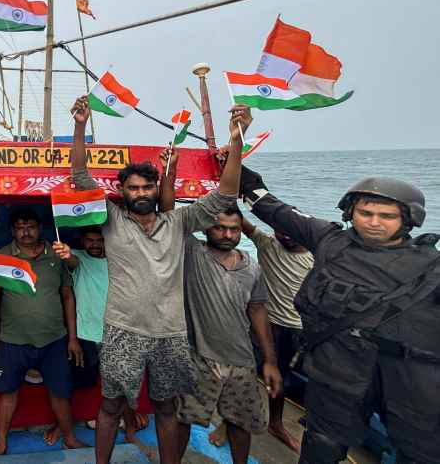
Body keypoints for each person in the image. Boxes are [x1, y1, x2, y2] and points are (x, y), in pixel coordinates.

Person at [70, 95, 251, 464]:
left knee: (167, 408)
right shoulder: (112, 220)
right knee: (110, 405)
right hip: (122, 331)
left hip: (171, 334)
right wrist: (79, 126)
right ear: (122, 192)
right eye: (132, 188)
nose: (140, 194)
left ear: (157, 190)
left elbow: (225, 194)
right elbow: (79, 177)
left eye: (147, 188)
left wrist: (237, 140)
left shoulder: (179, 223)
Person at [238, 169, 440, 464]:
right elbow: (276, 211)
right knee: (320, 448)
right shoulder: (330, 241)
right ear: (350, 213)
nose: (373, 222)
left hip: (407, 381)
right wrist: (237, 167)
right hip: (338, 373)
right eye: (365, 212)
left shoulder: (431, 268)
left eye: (386, 216)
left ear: (408, 220)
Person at [173, 203, 281, 464]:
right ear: (206, 227)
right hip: (199, 358)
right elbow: (171, 216)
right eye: (219, 227)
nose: (227, 235)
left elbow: (257, 310)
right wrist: (172, 168)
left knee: (239, 422)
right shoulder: (192, 252)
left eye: (233, 229)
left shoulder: (251, 266)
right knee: (183, 418)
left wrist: (270, 360)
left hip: (241, 360)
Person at [0, 207, 87, 455]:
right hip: (13, 339)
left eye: (30, 226)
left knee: (60, 391)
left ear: (40, 228)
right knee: (8, 392)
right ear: (12, 230)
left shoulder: (55, 254)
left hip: (54, 338)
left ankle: (70, 437)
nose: (26, 232)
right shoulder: (2, 257)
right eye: (20, 227)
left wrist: (72, 338)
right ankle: (3, 441)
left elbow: (68, 296)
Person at [51, 227, 149, 445]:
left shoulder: (121, 259)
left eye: (99, 240)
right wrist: (73, 338)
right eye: (90, 240)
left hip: (118, 335)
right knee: (75, 383)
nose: (95, 244)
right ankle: (62, 425)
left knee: (123, 384)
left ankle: (130, 424)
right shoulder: (79, 258)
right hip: (85, 335)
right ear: (82, 241)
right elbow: (71, 260)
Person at [241, 216, 312, 453]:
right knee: (243, 374)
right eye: (280, 231)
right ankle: (231, 422)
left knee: (282, 379)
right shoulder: (266, 244)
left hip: (300, 329)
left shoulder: (317, 255)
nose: (286, 236)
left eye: (291, 230)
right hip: (265, 325)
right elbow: (239, 219)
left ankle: (276, 424)